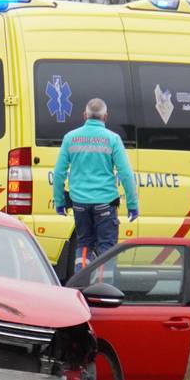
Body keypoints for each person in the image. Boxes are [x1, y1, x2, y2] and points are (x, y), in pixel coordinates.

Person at [52, 98, 139, 272]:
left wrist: (59, 201)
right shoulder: (112, 139)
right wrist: (132, 204)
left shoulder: (71, 138)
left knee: (84, 244)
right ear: (105, 117)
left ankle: (82, 285)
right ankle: (103, 289)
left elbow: (59, 173)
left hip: (79, 204)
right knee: (106, 246)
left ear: (85, 115)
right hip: (105, 204)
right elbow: (126, 174)